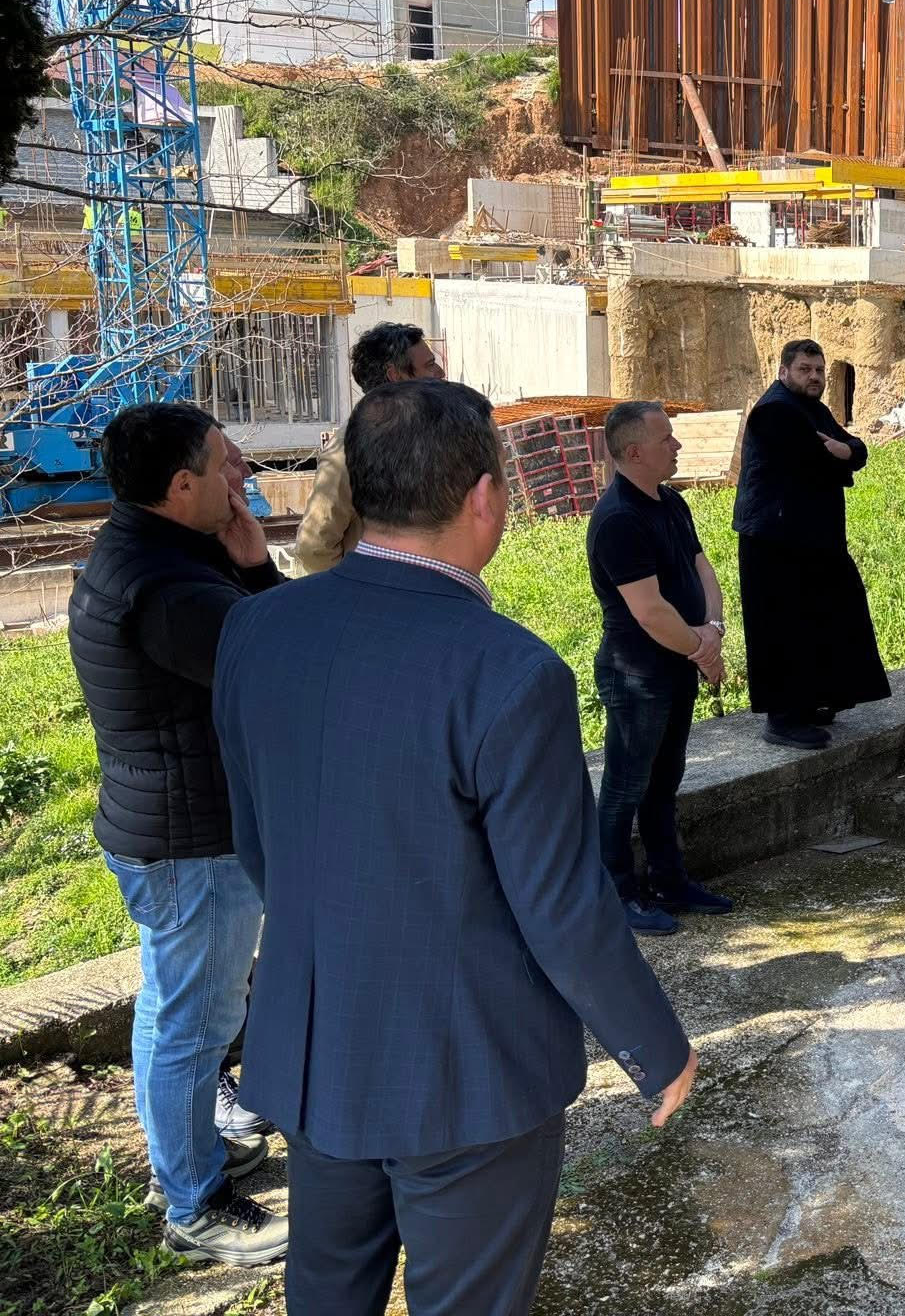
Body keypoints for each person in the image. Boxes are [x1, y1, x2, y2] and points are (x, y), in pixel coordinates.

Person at [213, 380, 696, 1315]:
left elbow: (260, 842)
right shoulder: (510, 671)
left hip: (314, 1043)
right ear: (485, 497)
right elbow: (560, 906)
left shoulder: (257, 628)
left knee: (327, 1293)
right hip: (469, 1070)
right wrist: (654, 1045)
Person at [68, 402, 287, 1266]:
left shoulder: (151, 551)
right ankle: (195, 1205)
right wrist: (258, 572)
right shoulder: (168, 592)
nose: (242, 476)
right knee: (193, 1024)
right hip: (191, 843)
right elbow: (285, 669)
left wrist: (244, 562)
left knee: (178, 1013)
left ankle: (186, 1157)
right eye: (226, 463)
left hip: (167, 825)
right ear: (181, 485)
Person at [587, 400, 734, 937]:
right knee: (625, 787)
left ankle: (669, 881)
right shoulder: (618, 519)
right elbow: (648, 611)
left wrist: (712, 629)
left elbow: (702, 568)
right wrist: (703, 648)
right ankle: (616, 893)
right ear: (634, 453)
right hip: (637, 674)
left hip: (678, 664)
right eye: (666, 439)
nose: (677, 445)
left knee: (664, 780)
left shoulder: (670, 501)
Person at [732, 339, 891, 749]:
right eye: (805, 369)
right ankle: (783, 718)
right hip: (774, 539)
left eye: (819, 370)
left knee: (824, 614)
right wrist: (841, 454)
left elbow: (855, 449)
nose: (815, 377)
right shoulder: (775, 410)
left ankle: (814, 699)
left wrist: (844, 450)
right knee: (782, 625)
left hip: (807, 536)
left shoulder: (810, 408)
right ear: (784, 371)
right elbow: (820, 463)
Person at [294, 322, 444, 573]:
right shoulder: (349, 449)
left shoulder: (427, 433)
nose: (440, 373)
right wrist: (360, 591)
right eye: (430, 365)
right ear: (396, 375)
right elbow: (314, 549)